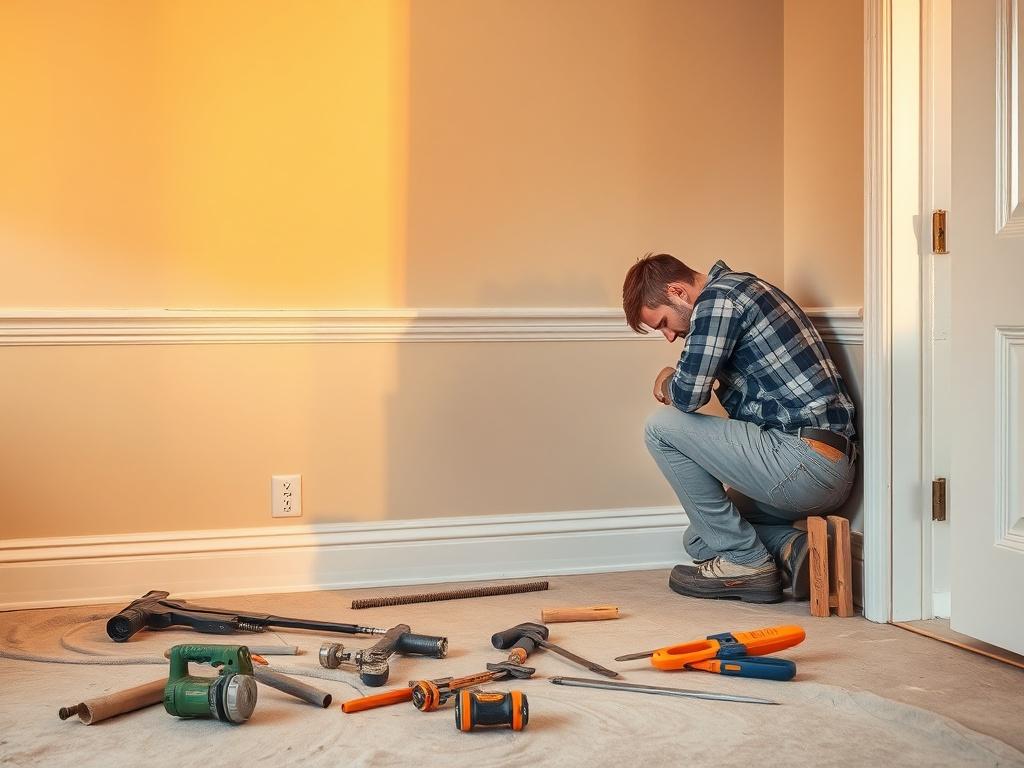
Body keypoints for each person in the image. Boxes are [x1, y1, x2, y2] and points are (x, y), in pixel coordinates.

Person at [623, 254, 856, 603]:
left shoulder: (720, 298)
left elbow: (687, 396)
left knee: (660, 426)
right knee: (701, 538)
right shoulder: (741, 291)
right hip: (821, 467)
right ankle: (794, 548)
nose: (670, 336)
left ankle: (749, 564)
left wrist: (666, 378)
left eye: (664, 323)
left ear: (677, 292)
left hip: (804, 461)